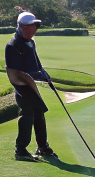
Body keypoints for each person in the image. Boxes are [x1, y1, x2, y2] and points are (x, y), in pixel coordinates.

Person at [5, 12, 58, 161]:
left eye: (35, 26)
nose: (34, 29)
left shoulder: (30, 42)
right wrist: (39, 76)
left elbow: (37, 63)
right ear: (21, 27)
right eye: (31, 27)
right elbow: (20, 72)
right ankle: (20, 150)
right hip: (21, 85)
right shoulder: (13, 45)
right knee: (28, 115)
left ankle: (42, 147)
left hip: (30, 84)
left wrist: (44, 73)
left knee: (39, 113)